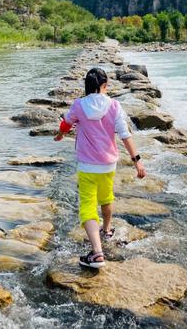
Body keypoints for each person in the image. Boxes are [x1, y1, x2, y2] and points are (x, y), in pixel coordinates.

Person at [54, 67, 145, 268]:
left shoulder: (79, 105)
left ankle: (97, 253)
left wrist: (60, 135)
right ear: (103, 86)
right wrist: (136, 159)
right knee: (106, 197)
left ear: (87, 86)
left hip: (87, 165)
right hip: (108, 164)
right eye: (106, 85)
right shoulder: (114, 105)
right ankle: (107, 229)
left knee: (87, 206)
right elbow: (124, 134)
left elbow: (67, 123)